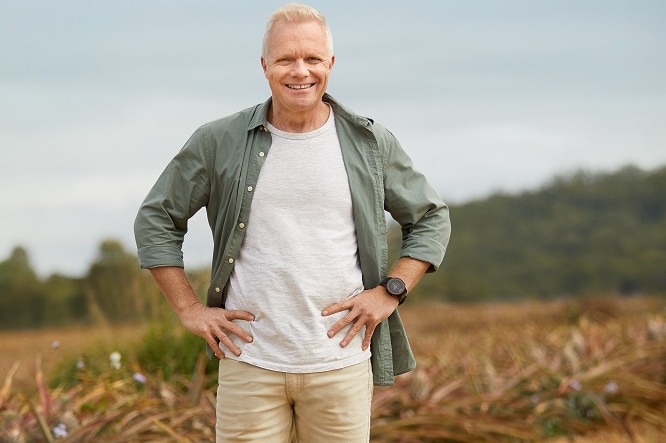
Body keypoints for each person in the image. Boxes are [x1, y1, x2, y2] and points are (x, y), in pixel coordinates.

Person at [134, 3, 450, 442]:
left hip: (340, 364)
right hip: (249, 362)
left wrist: (390, 291)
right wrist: (189, 309)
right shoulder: (217, 141)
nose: (300, 71)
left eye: (312, 59)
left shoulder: (370, 142)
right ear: (265, 65)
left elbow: (430, 217)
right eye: (285, 59)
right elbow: (157, 218)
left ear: (330, 64)